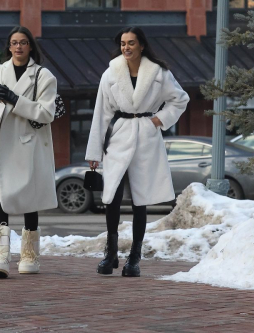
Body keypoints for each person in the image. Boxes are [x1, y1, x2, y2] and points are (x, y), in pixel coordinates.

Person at [86, 27, 189, 277]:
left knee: (140, 200)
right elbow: (101, 113)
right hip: (119, 136)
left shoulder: (159, 73)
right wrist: (94, 152)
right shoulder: (110, 73)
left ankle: (134, 258)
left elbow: (181, 99)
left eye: (131, 43)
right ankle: (110, 254)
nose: (126, 48)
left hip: (146, 136)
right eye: (122, 43)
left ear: (142, 45)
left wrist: (159, 119)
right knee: (111, 196)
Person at [0, 26, 58, 278]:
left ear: (31, 46)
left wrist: (15, 99)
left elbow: (47, 113)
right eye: (14, 42)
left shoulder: (44, 76)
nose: (19, 47)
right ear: (9, 46)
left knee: (29, 197)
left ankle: (30, 257)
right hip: (4, 143)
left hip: (30, 143)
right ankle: (0, 256)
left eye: (23, 42)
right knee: (1, 195)